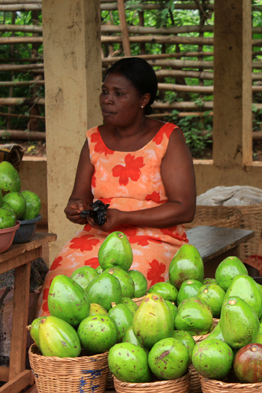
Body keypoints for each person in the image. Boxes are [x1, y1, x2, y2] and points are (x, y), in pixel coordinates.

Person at [37, 57, 196, 315]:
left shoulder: (168, 138)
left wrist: (123, 218)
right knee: (60, 278)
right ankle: (61, 353)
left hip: (155, 237)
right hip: (99, 236)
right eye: (105, 91)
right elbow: (78, 197)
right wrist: (77, 209)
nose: (106, 99)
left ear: (143, 100)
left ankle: (118, 351)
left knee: (131, 282)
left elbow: (185, 209)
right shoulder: (93, 140)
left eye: (119, 94)